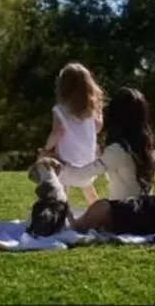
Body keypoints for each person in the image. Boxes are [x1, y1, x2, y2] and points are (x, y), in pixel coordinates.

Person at [58, 87, 155, 246]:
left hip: (126, 215)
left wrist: (57, 165)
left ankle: (73, 222)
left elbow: (79, 176)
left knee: (99, 207)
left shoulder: (117, 150)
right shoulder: (143, 147)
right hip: (146, 213)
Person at [42, 62, 104, 205]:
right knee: (89, 190)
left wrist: (46, 149)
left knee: (62, 191)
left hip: (66, 167)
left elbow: (58, 131)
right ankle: (100, 215)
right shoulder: (91, 110)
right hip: (89, 167)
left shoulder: (59, 109)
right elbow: (98, 128)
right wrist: (99, 112)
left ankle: (61, 215)